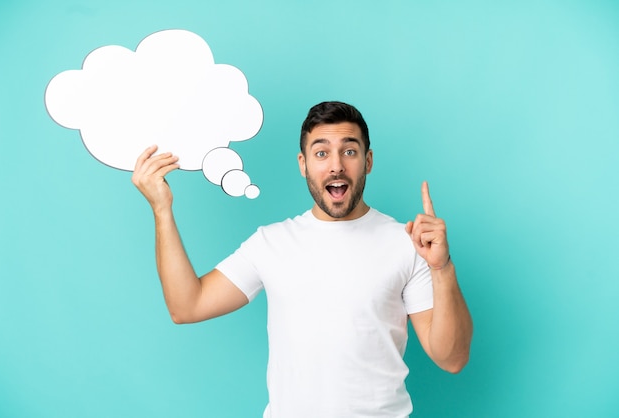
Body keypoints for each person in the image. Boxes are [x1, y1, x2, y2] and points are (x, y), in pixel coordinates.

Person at [132, 101, 473, 417]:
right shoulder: (271, 242)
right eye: (321, 152)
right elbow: (187, 306)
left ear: (367, 161)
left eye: (349, 151)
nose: (336, 165)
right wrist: (162, 210)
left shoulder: (407, 243)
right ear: (303, 164)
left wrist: (442, 268)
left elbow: (452, 358)